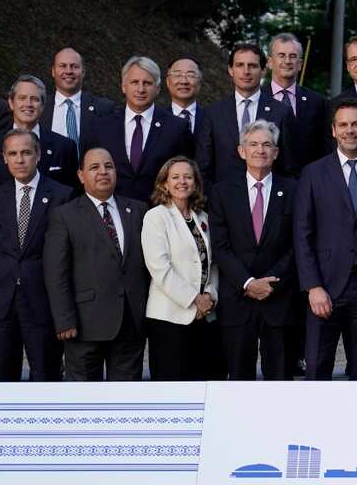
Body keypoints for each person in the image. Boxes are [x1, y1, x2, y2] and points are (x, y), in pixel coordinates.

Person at [294, 101, 357, 379]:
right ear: (333, 130)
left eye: (355, 124)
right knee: (316, 368)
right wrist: (313, 286)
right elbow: (302, 234)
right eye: (343, 125)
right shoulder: (313, 173)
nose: (349, 131)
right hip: (325, 287)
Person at [44, 148, 149, 380]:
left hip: (130, 324)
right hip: (83, 326)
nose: (103, 172)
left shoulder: (138, 210)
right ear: (81, 175)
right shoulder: (64, 215)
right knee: (84, 403)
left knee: (125, 402)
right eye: (94, 167)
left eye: (108, 166)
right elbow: (56, 273)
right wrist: (64, 321)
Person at [208, 120, 299, 380]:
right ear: (241, 151)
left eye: (267, 144)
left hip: (279, 298)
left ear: (276, 153)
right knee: (238, 379)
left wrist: (270, 282)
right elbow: (220, 246)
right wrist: (248, 283)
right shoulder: (222, 192)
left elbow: (297, 244)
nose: (260, 150)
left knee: (280, 380)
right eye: (254, 144)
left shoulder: (293, 190)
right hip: (238, 300)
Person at [0, 130, 73, 380]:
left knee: (46, 377)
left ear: (38, 155)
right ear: (4, 158)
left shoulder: (63, 196)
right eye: (13, 154)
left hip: (43, 301)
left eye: (26, 153)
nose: (20, 159)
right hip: (2, 303)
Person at [142, 157, 222, 380]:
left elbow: (213, 263)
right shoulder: (156, 217)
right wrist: (194, 299)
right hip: (170, 319)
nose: (182, 182)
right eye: (175, 177)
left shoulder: (204, 218)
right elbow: (160, 269)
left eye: (188, 177)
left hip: (205, 316)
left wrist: (210, 295)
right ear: (164, 183)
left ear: (196, 183)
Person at [81, 56, 195, 203]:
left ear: (158, 88)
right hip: (113, 213)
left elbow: (187, 173)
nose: (140, 89)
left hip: (160, 213)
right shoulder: (101, 126)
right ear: (123, 86)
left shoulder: (176, 127)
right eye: (135, 82)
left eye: (147, 83)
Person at [197, 43, 295, 185]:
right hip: (223, 201)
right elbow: (203, 166)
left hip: (269, 199)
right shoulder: (213, 113)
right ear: (231, 70)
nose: (246, 71)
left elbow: (289, 167)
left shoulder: (281, 112)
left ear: (263, 70)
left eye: (253, 66)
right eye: (240, 65)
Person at [0, 75, 77, 189]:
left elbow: (73, 195)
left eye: (34, 99)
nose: (28, 104)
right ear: (11, 103)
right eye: (22, 98)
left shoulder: (65, 147)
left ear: (43, 105)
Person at [264, 33, 329, 168]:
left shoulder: (318, 103)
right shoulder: (256, 99)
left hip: (307, 182)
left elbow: (325, 149)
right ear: (270, 62)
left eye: (293, 56)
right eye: (281, 55)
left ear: (299, 64)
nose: (287, 61)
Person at [39, 47, 115, 151]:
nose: (68, 71)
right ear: (53, 71)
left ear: (83, 72)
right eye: (63, 66)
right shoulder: (39, 108)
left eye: (74, 66)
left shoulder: (104, 109)